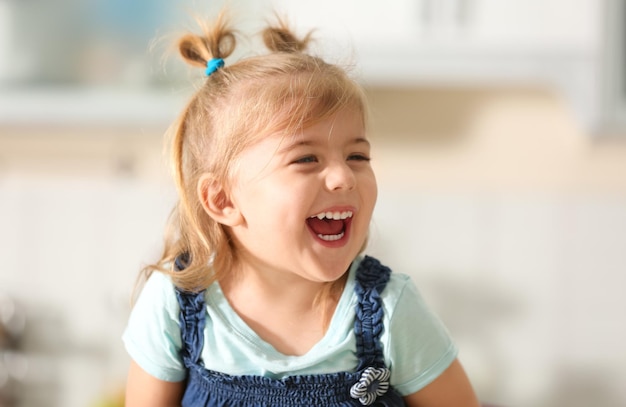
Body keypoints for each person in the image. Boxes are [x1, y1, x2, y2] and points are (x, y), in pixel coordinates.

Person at [123, 11, 481, 407]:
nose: (344, 177)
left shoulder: (390, 310)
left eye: (357, 156)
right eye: (306, 159)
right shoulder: (176, 303)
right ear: (223, 200)